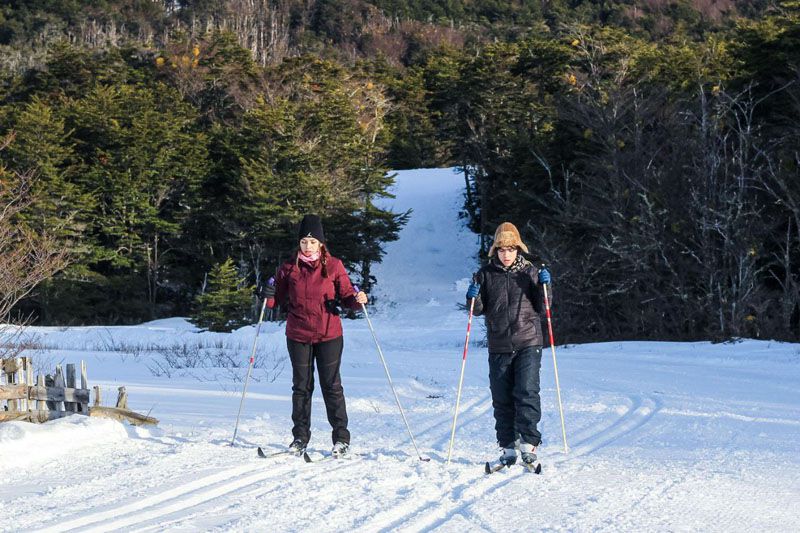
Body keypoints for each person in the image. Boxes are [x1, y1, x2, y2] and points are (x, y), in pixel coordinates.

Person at [262, 214, 367, 458]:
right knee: (301, 387)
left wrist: (358, 299)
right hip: (298, 334)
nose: (307, 246)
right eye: (303, 241)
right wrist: (267, 293)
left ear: (320, 243)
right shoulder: (288, 268)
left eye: (312, 241)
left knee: (331, 386)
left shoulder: (334, 266)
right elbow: (275, 300)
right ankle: (300, 437)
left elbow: (348, 297)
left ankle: (341, 439)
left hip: (329, 335)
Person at [465, 222, 551, 467]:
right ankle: (508, 446)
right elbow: (477, 310)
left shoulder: (530, 272)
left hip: (528, 341)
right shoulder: (485, 274)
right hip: (499, 344)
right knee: (502, 397)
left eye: (511, 249)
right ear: (495, 250)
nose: (506, 254)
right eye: (502, 250)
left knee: (526, 392)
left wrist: (545, 286)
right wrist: (472, 297)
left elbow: (544, 307)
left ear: (518, 250)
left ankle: (529, 443)